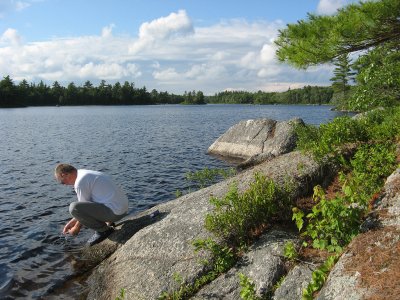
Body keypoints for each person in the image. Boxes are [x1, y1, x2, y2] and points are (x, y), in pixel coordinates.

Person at [54, 163, 129, 246]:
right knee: (84, 205)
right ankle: (109, 222)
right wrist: (71, 222)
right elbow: (86, 209)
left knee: (73, 207)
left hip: (115, 212)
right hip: (122, 208)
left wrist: (76, 228)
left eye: (62, 182)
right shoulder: (84, 173)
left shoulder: (80, 182)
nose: (65, 185)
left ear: (64, 174)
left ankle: (103, 230)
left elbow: (80, 211)